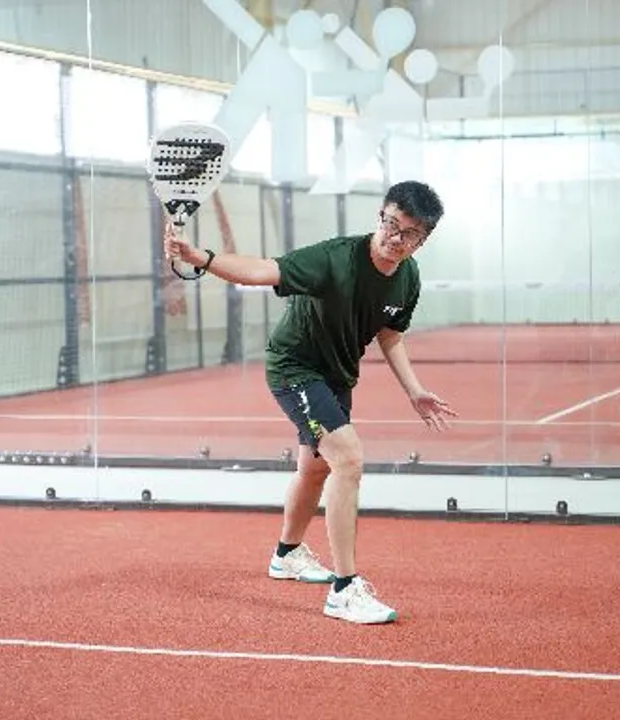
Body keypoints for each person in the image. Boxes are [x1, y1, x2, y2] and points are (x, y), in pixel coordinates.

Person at [164, 180, 457, 625]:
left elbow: (390, 334)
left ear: (423, 240)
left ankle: (287, 554)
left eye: (409, 234)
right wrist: (200, 257)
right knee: (348, 459)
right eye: (391, 224)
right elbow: (262, 271)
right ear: (380, 216)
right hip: (294, 367)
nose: (395, 238)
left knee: (316, 469)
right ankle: (344, 590)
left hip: (336, 375)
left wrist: (414, 390)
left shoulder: (408, 277)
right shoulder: (335, 258)